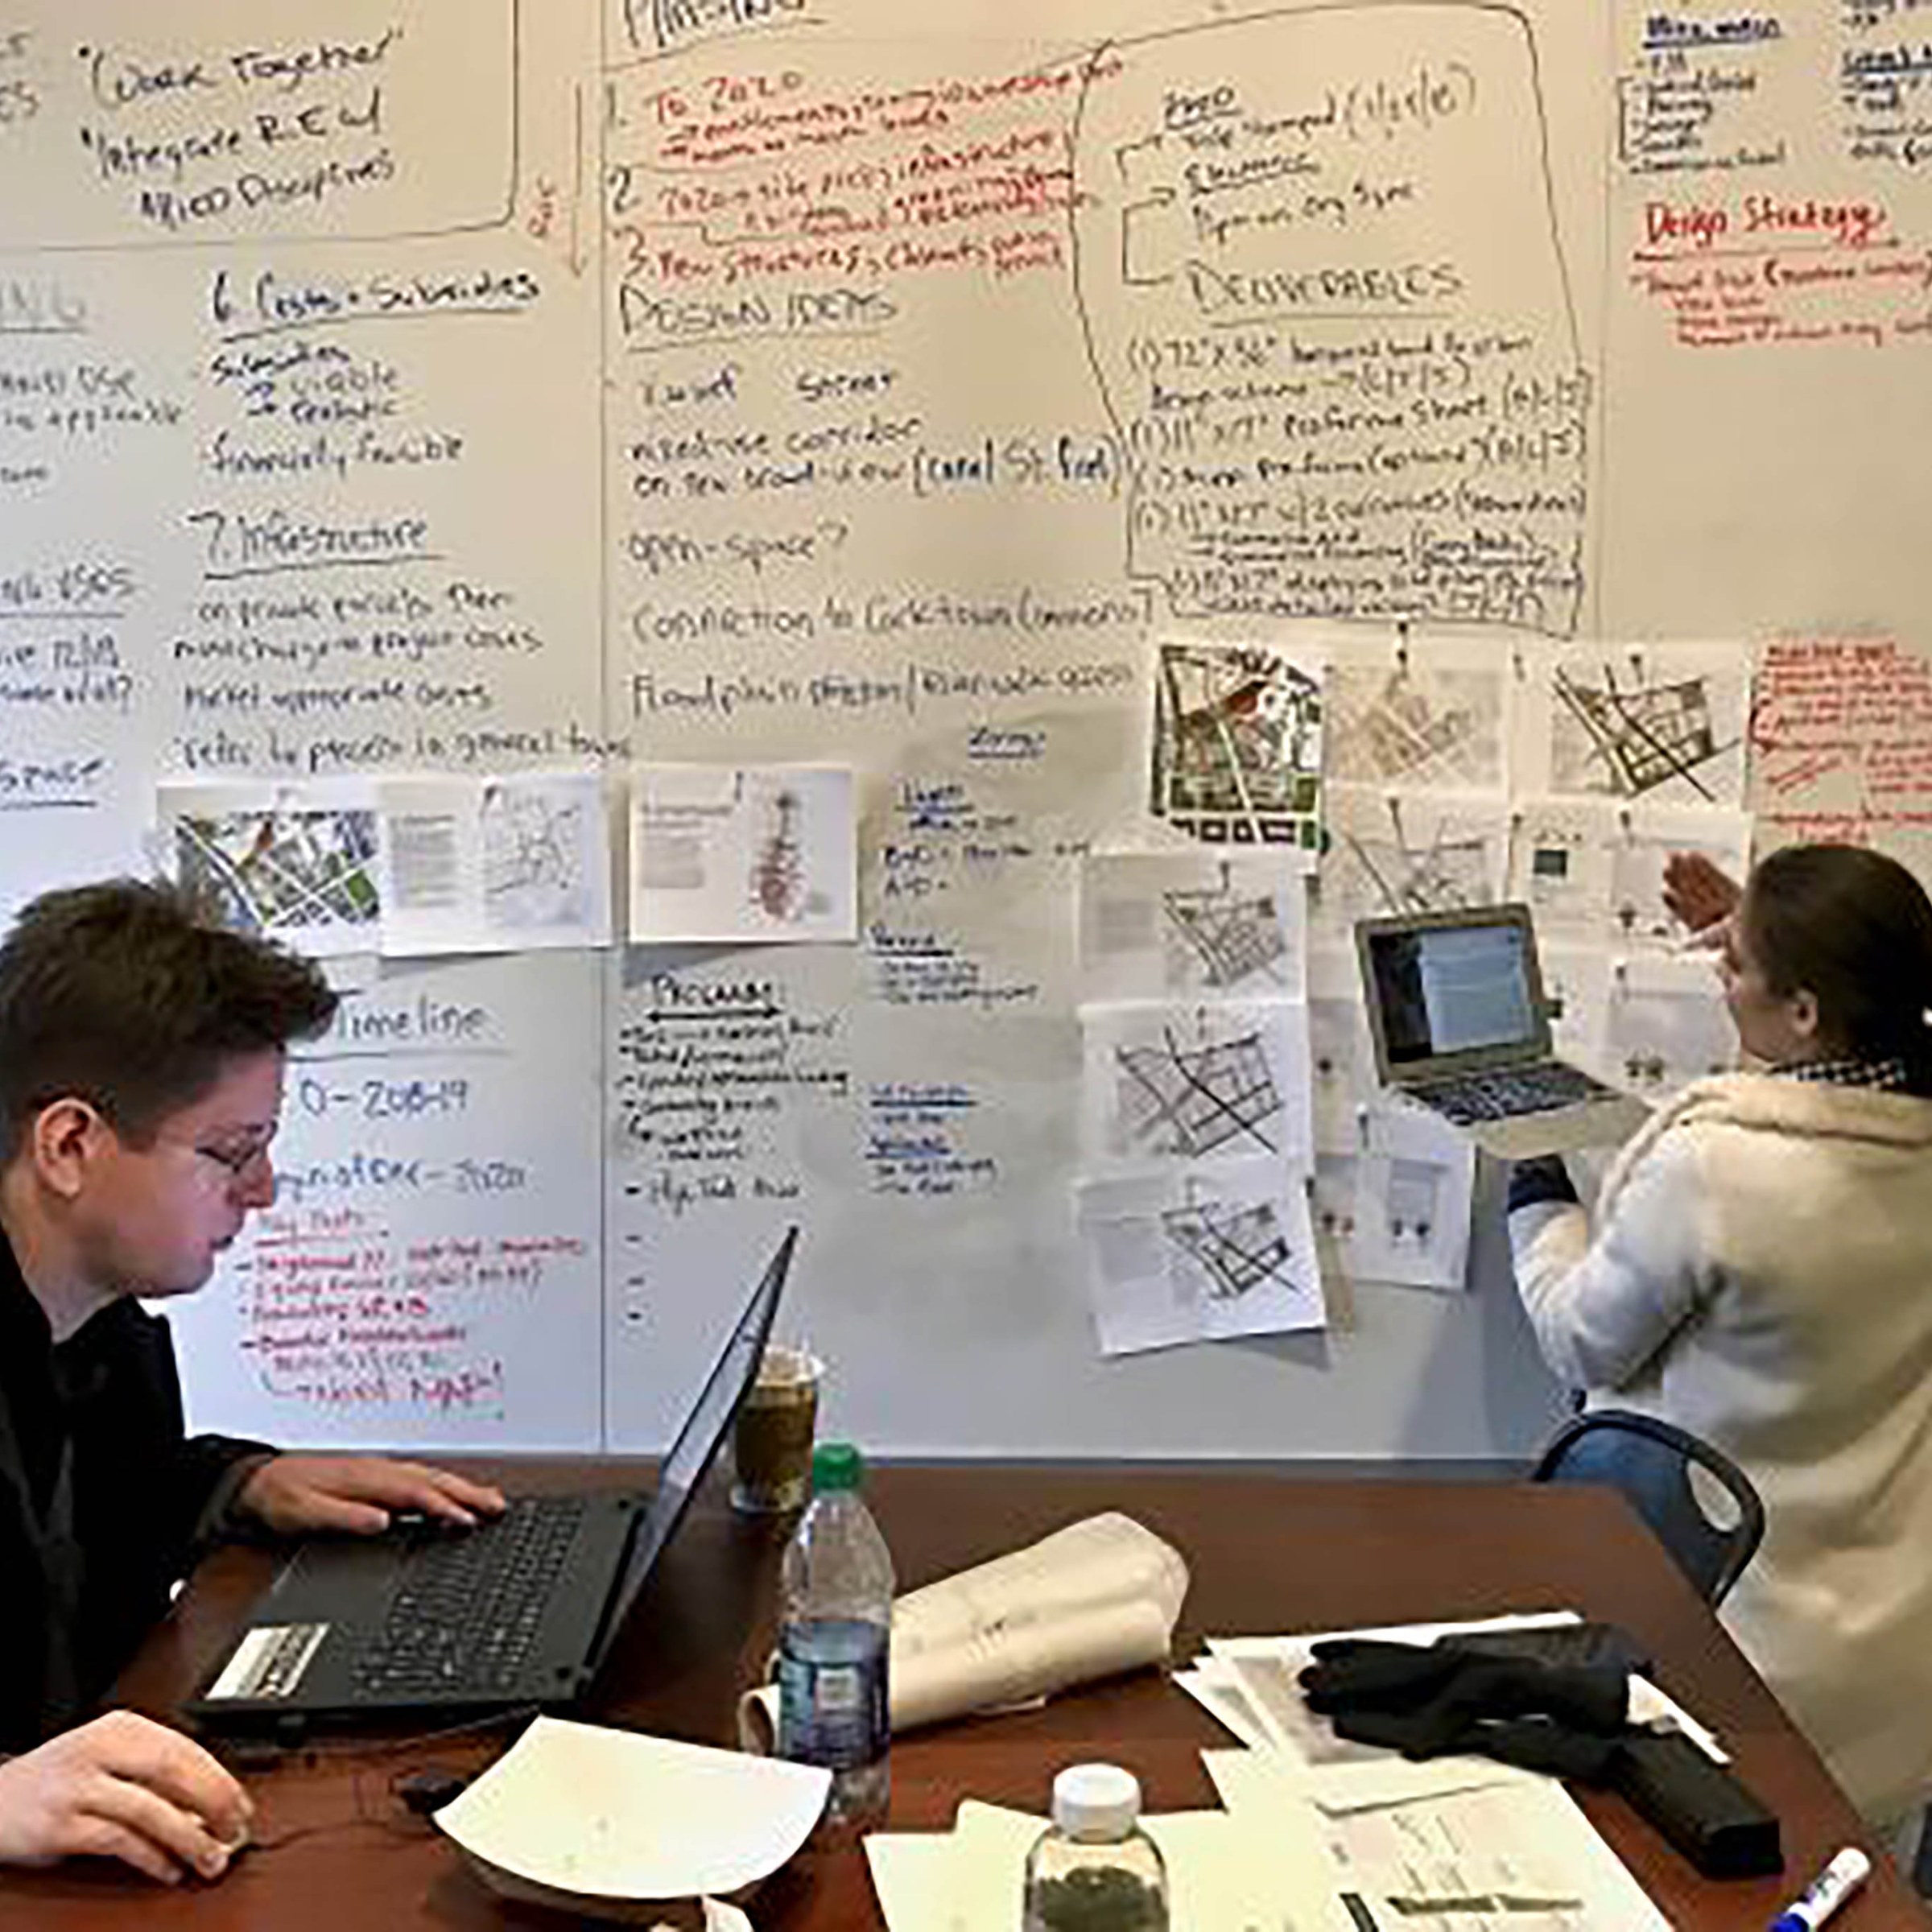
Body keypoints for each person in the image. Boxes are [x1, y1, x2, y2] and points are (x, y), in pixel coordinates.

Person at [0, 878, 508, 1883]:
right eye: (234, 1151)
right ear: (68, 1144)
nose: (264, 1191)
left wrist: (242, 1486)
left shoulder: (102, 1328)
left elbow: (79, 1519)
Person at [1507, 842, 1932, 1847]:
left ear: (1804, 1013)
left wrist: (1533, 1190)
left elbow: (1580, 1341)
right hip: (1893, 1654)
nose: (1717, 971)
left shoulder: (1721, 1167)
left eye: (1735, 963)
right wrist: (1779, 933)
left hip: (1735, 1647)